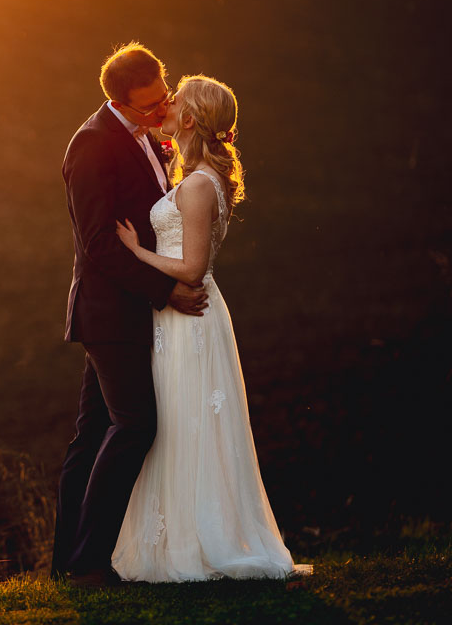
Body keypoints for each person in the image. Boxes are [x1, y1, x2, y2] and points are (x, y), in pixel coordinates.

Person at [110, 75, 307, 581]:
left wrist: (136, 252)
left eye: (175, 100)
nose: (167, 105)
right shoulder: (197, 176)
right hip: (177, 317)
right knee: (177, 421)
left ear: (191, 118)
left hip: (190, 317)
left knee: (186, 421)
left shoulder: (198, 185)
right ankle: (179, 538)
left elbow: (193, 269)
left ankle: (198, 543)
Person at [51, 43, 208, 587]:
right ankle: (90, 562)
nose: (161, 110)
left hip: (133, 311)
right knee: (135, 425)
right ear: (118, 103)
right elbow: (97, 243)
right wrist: (166, 291)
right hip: (111, 312)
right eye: (149, 106)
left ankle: (70, 562)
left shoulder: (148, 135)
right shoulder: (93, 146)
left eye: (164, 97)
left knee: (92, 435)